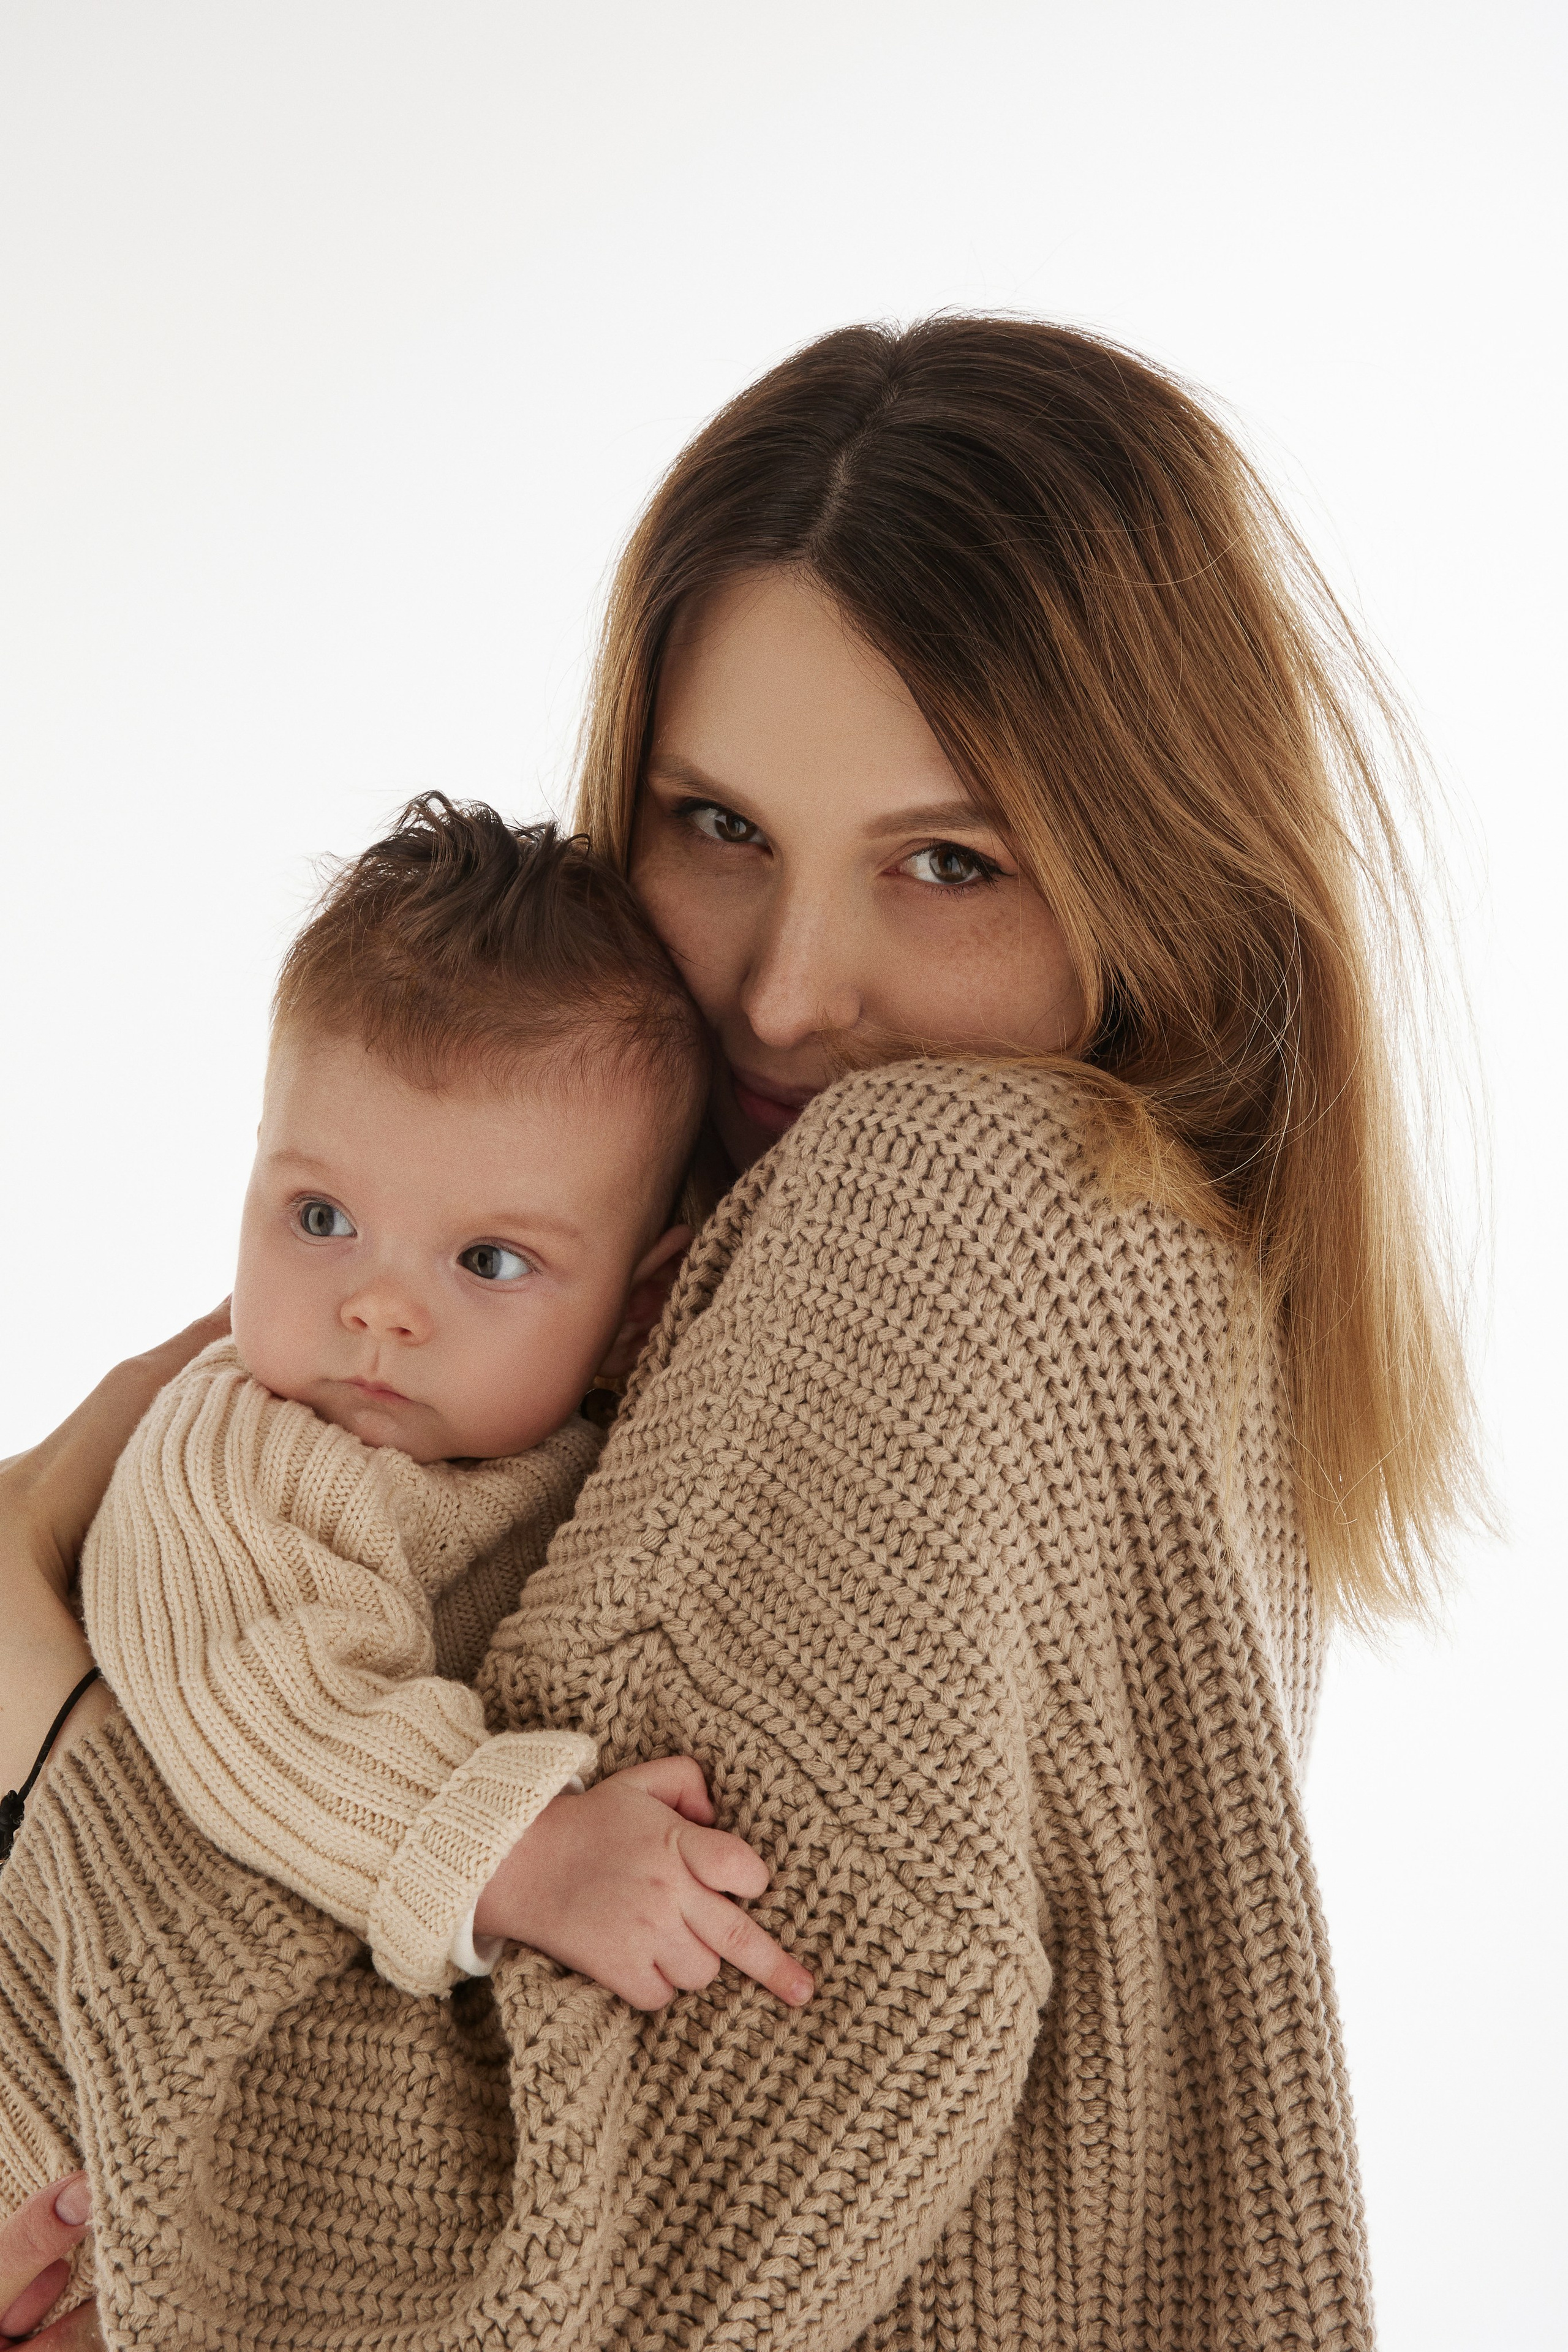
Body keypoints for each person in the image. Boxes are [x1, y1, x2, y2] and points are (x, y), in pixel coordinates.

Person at [0, 316, 1480, 2352]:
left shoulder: (939, 1206)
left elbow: (513, 2281)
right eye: (718, 829)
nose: (789, 996)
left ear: (1168, 881)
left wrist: (40, 1717)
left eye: (948, 864)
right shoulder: (1146, 1299)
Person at [66, 799, 812, 2013]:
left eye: (487, 1262)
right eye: (322, 1219)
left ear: (636, 1310)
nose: (377, 1308)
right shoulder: (236, 1455)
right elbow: (252, 1712)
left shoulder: (616, 1445)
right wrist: (522, 1858)